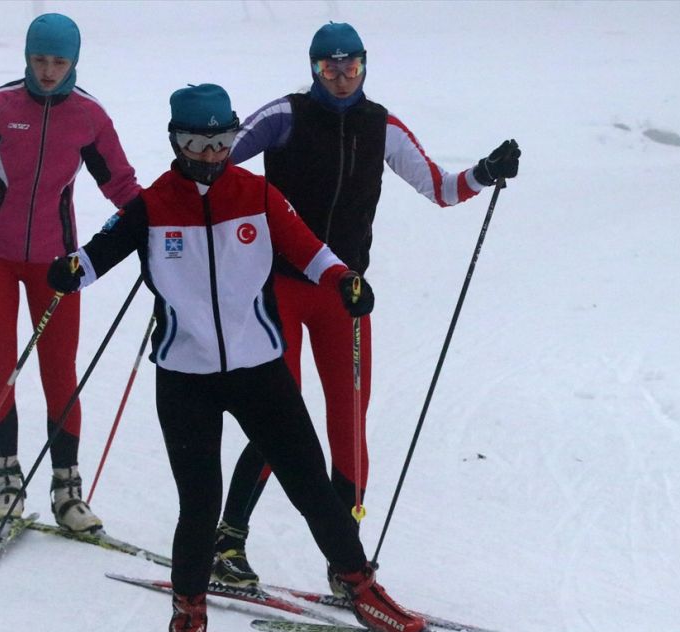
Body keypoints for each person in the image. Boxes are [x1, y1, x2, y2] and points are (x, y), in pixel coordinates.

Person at [47, 83, 426, 632]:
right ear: (176, 141)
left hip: (259, 369)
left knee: (311, 486)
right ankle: (188, 614)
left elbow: (308, 248)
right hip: (185, 377)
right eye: (197, 141)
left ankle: (361, 587)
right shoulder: (152, 206)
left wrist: (343, 279)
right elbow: (98, 254)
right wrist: (72, 270)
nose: (210, 153)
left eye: (221, 140)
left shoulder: (257, 194)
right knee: (199, 503)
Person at [212, 22, 521, 589]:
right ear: (312, 69)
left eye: (349, 65)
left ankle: (344, 559)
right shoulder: (284, 115)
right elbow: (215, 158)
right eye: (328, 66)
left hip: (345, 293)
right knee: (278, 412)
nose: (340, 75)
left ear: (364, 65)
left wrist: (485, 173)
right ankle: (228, 540)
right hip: (277, 285)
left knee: (348, 422)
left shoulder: (382, 125)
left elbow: (440, 188)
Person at [0, 13, 141, 532]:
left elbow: (124, 188)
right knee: (0, 368)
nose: (47, 71)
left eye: (58, 62)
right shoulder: (0, 106)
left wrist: (160, 234)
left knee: (59, 372)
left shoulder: (88, 116)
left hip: (57, 262)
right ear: (26, 57)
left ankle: (67, 490)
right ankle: (7, 481)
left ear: (74, 62)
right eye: (39, 60)